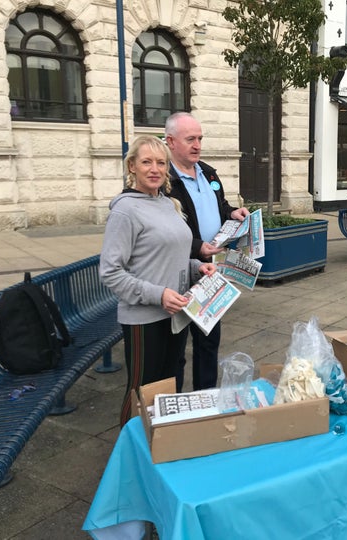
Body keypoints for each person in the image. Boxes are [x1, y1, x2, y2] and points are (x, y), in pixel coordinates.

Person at [100, 135, 216, 427]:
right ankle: (130, 453)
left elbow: (171, 254)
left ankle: (162, 443)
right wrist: (158, 294)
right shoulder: (125, 211)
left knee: (168, 387)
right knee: (142, 391)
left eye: (161, 163)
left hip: (176, 312)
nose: (154, 169)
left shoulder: (168, 203)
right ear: (132, 167)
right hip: (144, 318)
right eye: (146, 162)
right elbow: (110, 271)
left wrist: (196, 267)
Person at [164, 112, 250, 392]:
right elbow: (162, 229)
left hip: (211, 268)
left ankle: (205, 396)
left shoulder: (208, 172)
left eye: (199, 138)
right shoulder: (163, 180)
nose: (197, 145)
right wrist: (196, 245)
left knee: (209, 336)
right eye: (190, 139)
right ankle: (175, 403)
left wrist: (232, 213)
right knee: (176, 344)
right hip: (179, 268)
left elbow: (220, 205)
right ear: (171, 142)